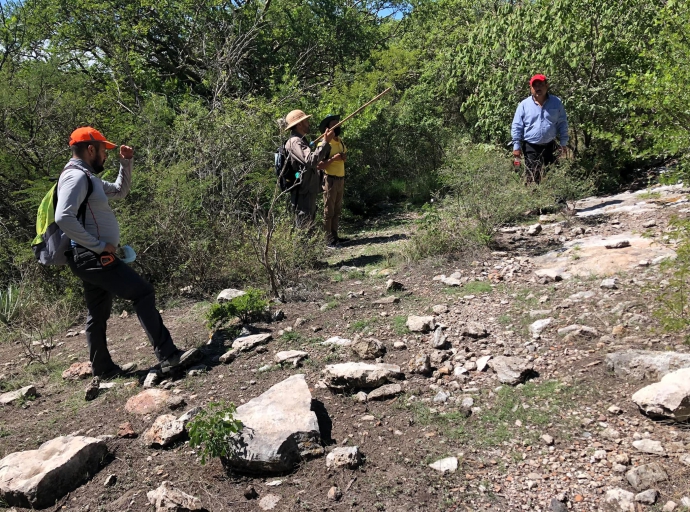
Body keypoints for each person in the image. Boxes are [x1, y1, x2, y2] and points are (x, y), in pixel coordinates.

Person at [55, 127, 200, 378]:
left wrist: (126, 162)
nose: (105, 155)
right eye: (103, 150)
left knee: (97, 312)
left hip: (87, 256)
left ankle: (103, 369)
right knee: (142, 292)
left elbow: (121, 191)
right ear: (90, 149)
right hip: (93, 256)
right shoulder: (76, 178)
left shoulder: (89, 178)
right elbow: (63, 218)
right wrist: (100, 247)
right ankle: (169, 356)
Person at [511, 74, 569, 184]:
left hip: (550, 145)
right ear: (531, 88)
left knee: (554, 175)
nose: (538, 88)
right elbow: (517, 126)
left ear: (546, 86)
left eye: (541, 85)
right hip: (531, 146)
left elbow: (562, 123)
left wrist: (563, 143)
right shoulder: (524, 105)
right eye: (535, 85)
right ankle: (535, 199)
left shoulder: (556, 102)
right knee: (533, 177)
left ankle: (559, 201)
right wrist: (516, 146)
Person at [284, 110, 334, 228]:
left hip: (307, 189)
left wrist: (325, 145)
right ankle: (302, 247)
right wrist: (325, 142)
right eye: (306, 121)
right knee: (303, 224)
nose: (308, 123)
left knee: (309, 222)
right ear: (299, 124)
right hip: (302, 191)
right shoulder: (295, 142)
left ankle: (307, 246)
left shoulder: (301, 140)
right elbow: (311, 161)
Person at [317, 114, 347, 248]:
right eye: (334, 124)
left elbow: (343, 157)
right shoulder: (323, 144)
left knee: (337, 210)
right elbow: (319, 165)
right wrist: (333, 159)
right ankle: (327, 240)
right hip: (330, 180)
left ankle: (335, 236)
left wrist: (343, 157)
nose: (338, 125)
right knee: (328, 211)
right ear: (328, 127)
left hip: (341, 179)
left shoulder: (340, 141)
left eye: (338, 123)